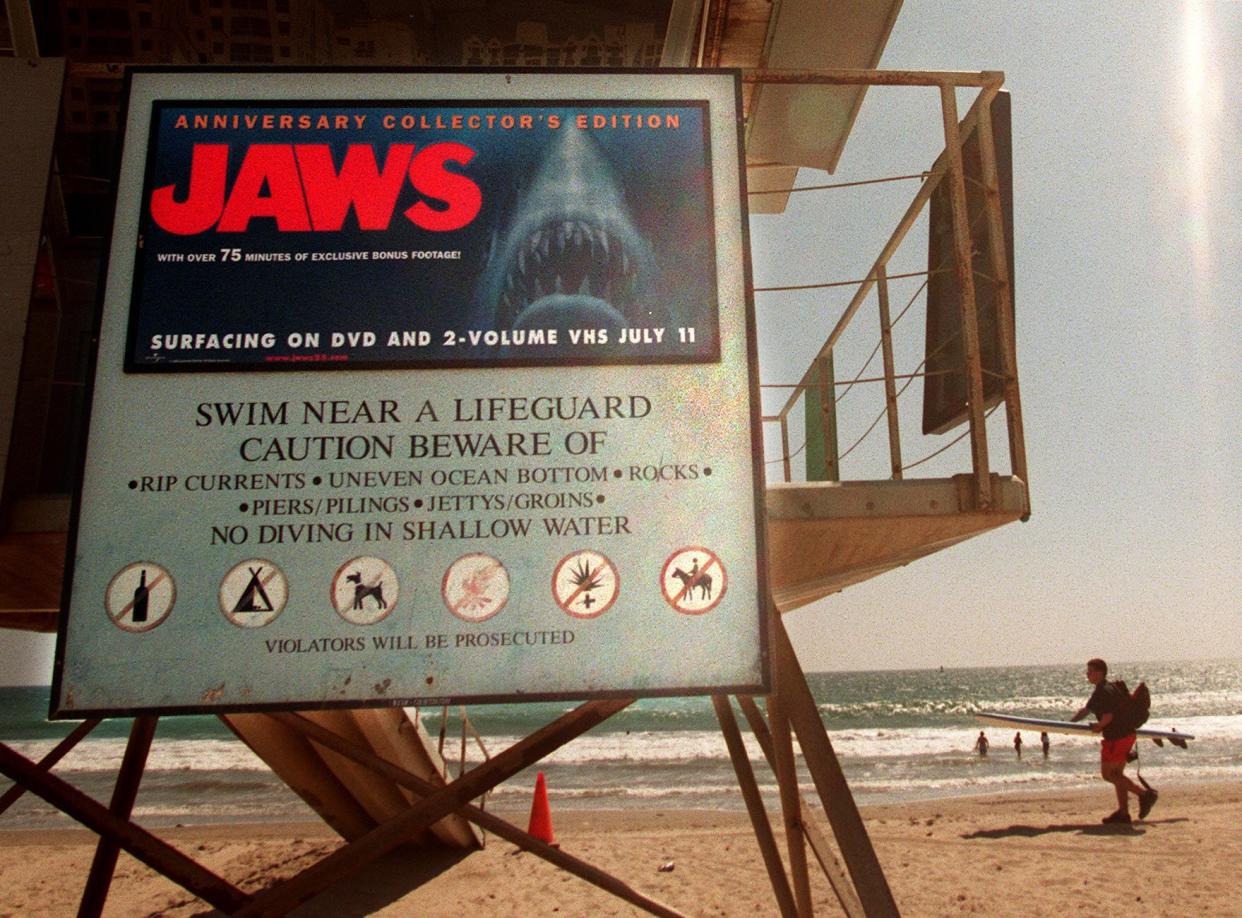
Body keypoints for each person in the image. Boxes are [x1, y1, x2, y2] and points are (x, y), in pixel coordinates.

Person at [1071, 658, 1157, 824]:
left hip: (1117, 738)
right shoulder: (1109, 688)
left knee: (1108, 774)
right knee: (1118, 775)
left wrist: (1099, 725)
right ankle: (1123, 813)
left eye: (1090, 672)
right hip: (1127, 735)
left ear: (1100, 673)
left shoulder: (1103, 691)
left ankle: (1144, 795)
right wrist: (1068, 725)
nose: (1087, 675)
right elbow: (1087, 710)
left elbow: (1108, 716)